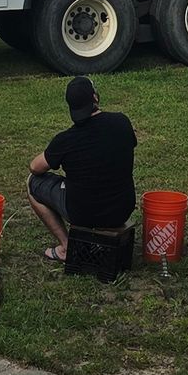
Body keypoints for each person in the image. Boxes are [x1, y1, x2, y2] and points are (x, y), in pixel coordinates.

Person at [26, 75, 137, 263]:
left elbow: (35, 168)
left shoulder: (66, 140)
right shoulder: (121, 122)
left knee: (32, 183)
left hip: (82, 213)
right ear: (95, 98)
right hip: (121, 210)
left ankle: (66, 247)